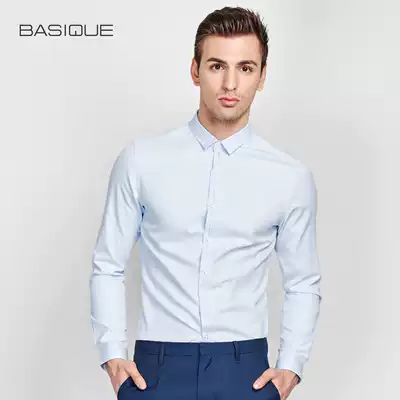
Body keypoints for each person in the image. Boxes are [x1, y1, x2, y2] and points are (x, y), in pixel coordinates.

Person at [89, 6, 322, 400]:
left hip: (246, 370)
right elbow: (107, 263)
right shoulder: (141, 160)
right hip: (156, 369)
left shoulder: (289, 176)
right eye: (217, 66)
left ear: (262, 76)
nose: (230, 83)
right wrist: (112, 354)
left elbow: (303, 281)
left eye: (245, 68)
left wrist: (291, 366)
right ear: (195, 70)